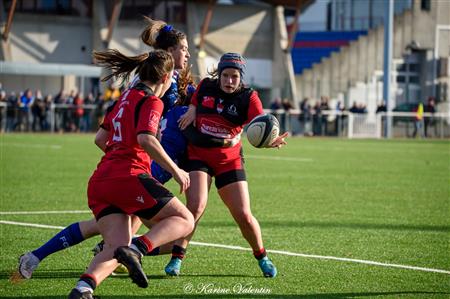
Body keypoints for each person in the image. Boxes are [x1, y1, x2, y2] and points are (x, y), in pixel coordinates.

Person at [17, 19, 235, 280]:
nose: (188, 54)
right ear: (169, 52)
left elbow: (103, 137)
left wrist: (192, 107)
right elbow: (144, 132)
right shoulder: (159, 84)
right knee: (172, 223)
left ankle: (54, 263)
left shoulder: (160, 80)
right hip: (149, 164)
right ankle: (119, 254)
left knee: (109, 226)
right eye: (184, 48)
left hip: (141, 163)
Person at [66, 49, 196, 299]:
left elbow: (100, 138)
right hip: (128, 176)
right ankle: (138, 249)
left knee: (116, 245)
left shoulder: (125, 96)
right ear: (167, 77)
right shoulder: (152, 101)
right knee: (185, 220)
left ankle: (83, 289)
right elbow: (146, 139)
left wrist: (120, 154)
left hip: (101, 180)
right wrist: (176, 170)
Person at [164, 53, 287, 278]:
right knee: (196, 206)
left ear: (241, 78)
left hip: (229, 159)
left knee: (243, 214)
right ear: (219, 75)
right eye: (226, 76)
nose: (230, 81)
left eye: (234, 77)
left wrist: (269, 140)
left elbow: (258, 125)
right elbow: (194, 101)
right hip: (198, 155)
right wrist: (192, 109)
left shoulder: (249, 98)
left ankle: (262, 256)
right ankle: (177, 258)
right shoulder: (205, 87)